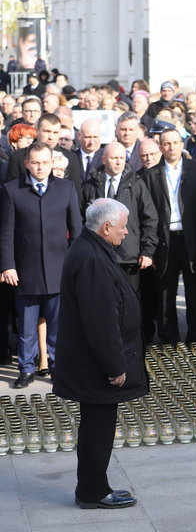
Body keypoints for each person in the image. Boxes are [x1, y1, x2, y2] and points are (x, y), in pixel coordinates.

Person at [53, 198, 146, 510]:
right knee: (97, 430)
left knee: (99, 427)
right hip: (95, 367)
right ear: (106, 227)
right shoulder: (92, 258)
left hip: (90, 364)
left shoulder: (92, 248)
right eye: (122, 227)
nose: (125, 232)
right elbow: (100, 320)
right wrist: (114, 365)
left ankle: (95, 486)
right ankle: (92, 492)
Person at [0, 141, 83, 388]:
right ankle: (26, 369)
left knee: (59, 327)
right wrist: (7, 265)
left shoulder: (66, 189)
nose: (40, 167)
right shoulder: (11, 190)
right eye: (35, 162)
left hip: (59, 270)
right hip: (25, 271)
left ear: (51, 163)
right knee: (26, 329)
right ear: (27, 163)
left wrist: (74, 264)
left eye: (45, 162)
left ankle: (58, 367)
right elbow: (6, 233)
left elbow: (77, 231)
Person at [145, 129, 196, 345]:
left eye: (175, 142)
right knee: (165, 291)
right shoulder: (150, 175)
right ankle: (168, 338)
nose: (171, 147)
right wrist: (149, 248)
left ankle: (195, 336)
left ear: (182, 145)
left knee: (194, 289)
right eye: (166, 143)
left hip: (191, 238)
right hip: (165, 239)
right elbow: (147, 213)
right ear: (160, 147)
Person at [80, 142, 158, 291]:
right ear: (104, 160)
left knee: (129, 300)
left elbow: (150, 219)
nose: (118, 162)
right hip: (98, 255)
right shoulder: (91, 185)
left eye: (122, 158)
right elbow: (81, 218)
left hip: (129, 256)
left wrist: (147, 252)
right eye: (114, 158)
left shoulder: (136, 184)